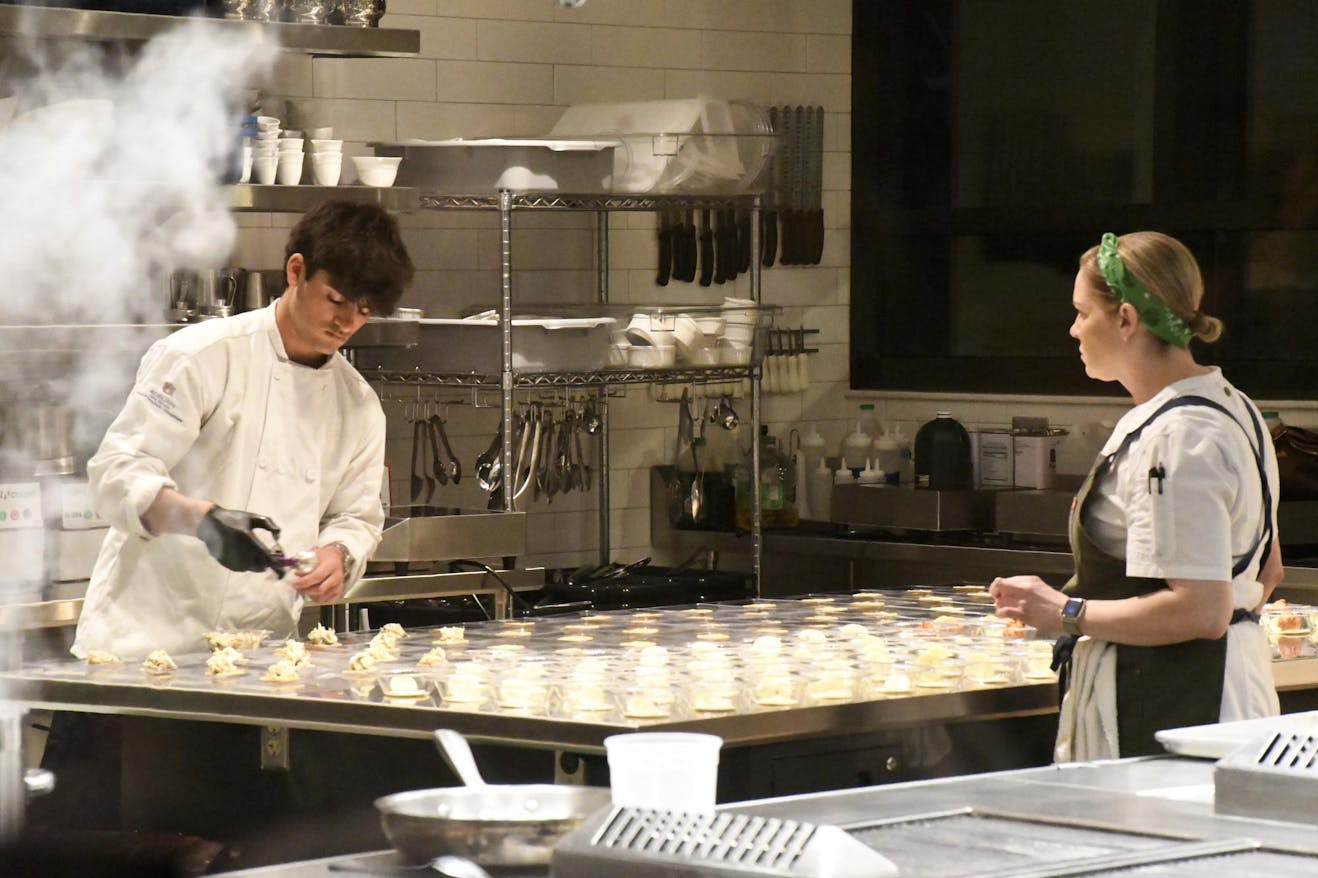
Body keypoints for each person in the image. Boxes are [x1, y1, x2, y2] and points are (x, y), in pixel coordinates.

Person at [72, 200, 414, 659]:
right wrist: (201, 519)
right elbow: (116, 474)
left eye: (366, 311)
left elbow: (356, 516)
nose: (348, 322)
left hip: (261, 657)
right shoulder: (203, 356)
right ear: (297, 271)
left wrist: (338, 555)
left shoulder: (358, 404)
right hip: (142, 647)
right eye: (336, 300)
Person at [989, 231, 1282, 761]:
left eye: (1082, 312)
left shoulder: (1177, 437)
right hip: (1232, 693)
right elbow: (1267, 570)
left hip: (1179, 706)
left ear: (1125, 319)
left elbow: (1201, 612)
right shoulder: (1234, 406)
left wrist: (1066, 611)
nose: (1073, 329)